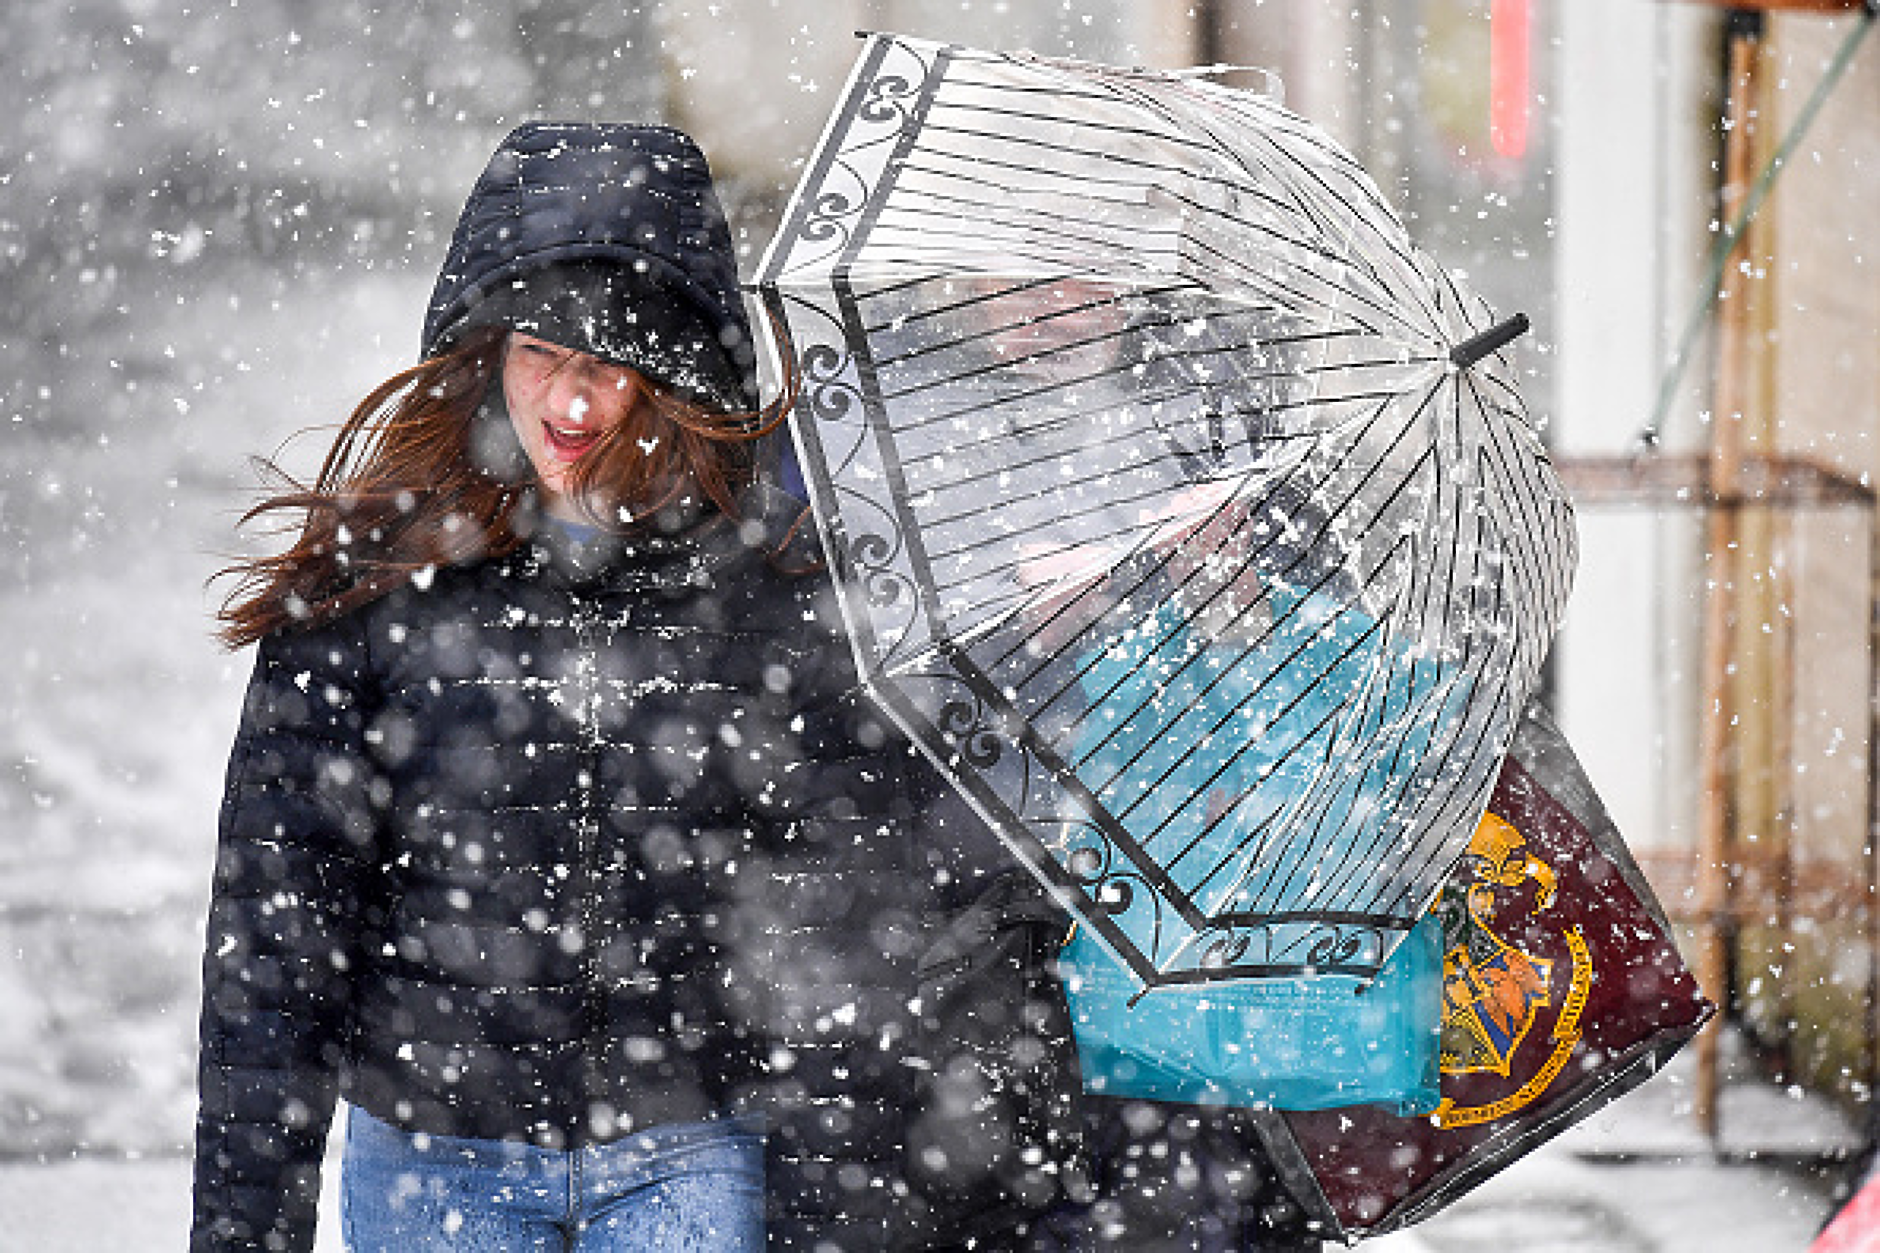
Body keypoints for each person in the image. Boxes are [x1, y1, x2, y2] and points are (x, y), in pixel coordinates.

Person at [189, 121, 977, 1252]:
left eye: (606, 364)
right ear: (482, 349)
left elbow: (851, 916)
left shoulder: (778, 590)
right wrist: (239, 1229)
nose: (568, 406)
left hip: (694, 1151)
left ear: (674, 376)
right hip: (434, 1156)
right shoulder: (374, 589)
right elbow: (276, 932)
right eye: (538, 356)